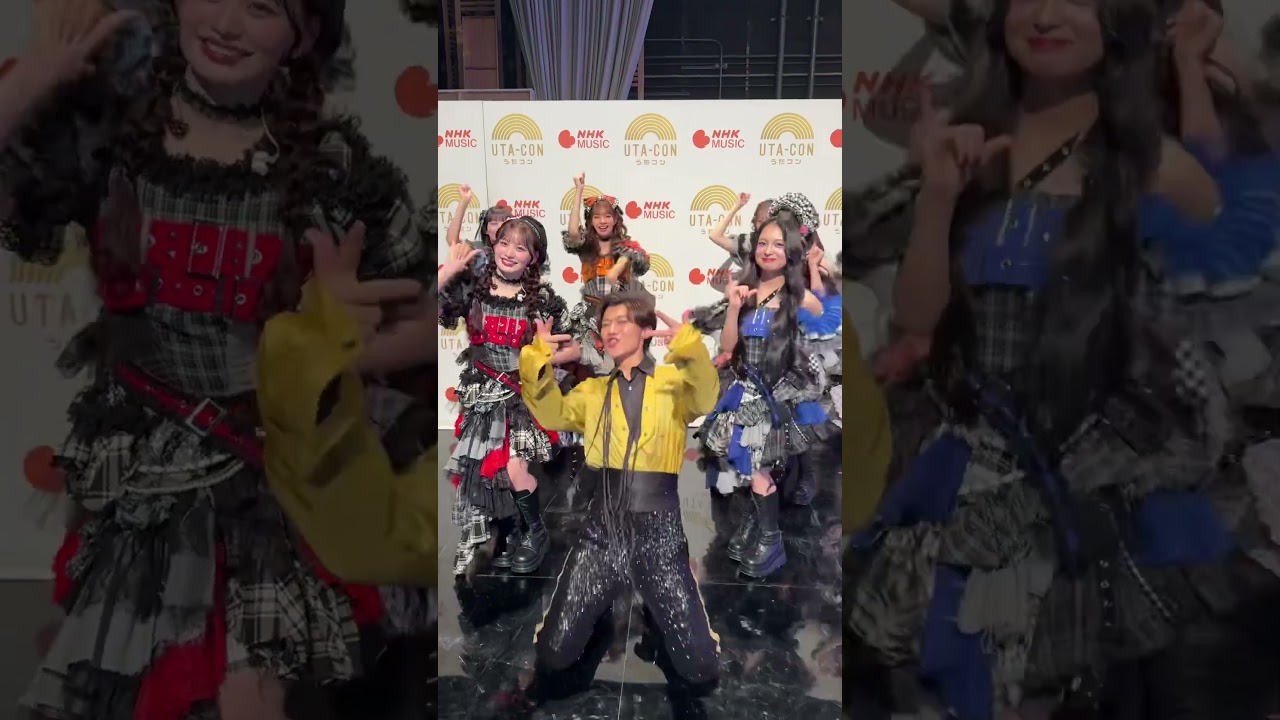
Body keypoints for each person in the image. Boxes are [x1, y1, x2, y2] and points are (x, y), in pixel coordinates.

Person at [845, 0, 1280, 718]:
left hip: (1099, 481)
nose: (1046, 14)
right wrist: (939, 197)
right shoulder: (969, 144)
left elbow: (1220, 309)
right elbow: (919, 319)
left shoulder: (1152, 165)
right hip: (969, 464)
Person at [0, 1, 430, 717]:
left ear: (303, 35)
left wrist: (335, 346)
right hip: (142, 473)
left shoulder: (330, 167)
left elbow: (428, 316)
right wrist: (34, 79)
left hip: (267, 470)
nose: (227, 24)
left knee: (250, 697)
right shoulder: (114, 136)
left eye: (260, 7)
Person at [518, 290, 721, 687]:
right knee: (553, 654)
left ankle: (661, 620)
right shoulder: (593, 391)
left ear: (645, 330)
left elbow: (705, 396)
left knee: (700, 668)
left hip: (659, 533)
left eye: (622, 322)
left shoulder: (673, 384)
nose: (610, 330)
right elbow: (552, 413)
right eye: (606, 324)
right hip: (600, 531)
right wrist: (537, 359)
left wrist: (689, 346)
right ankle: (592, 618)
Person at [697, 210, 832, 578]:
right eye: (762, 243)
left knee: (758, 471)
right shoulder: (745, 291)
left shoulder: (799, 298)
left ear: (791, 252)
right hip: (746, 393)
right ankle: (755, 526)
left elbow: (821, 335)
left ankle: (771, 541)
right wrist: (734, 307)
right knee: (746, 467)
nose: (768, 250)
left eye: (778, 244)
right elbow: (728, 347)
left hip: (778, 398)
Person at [438, 217, 576, 576]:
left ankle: (535, 532)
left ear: (534, 257)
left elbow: (573, 347)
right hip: (483, 393)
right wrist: (447, 273)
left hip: (522, 395)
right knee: (485, 470)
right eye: (504, 243)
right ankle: (510, 528)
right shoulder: (472, 289)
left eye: (521, 247)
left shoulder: (543, 300)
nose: (510, 253)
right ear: (493, 245)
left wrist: (546, 355)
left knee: (516, 470)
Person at [562, 172, 651, 376]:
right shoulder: (587, 246)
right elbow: (573, 233)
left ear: (615, 219)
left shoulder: (627, 247)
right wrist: (579, 191)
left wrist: (620, 265)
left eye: (607, 216)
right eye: (597, 217)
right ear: (590, 221)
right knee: (586, 370)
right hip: (589, 315)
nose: (602, 221)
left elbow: (641, 261)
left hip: (619, 315)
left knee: (620, 369)